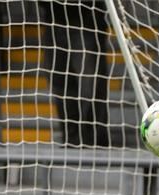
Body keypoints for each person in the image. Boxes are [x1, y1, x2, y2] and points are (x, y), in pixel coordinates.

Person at [41, 1, 110, 147]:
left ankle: (94, 142)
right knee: (59, 83)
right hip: (54, 17)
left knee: (90, 85)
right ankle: (71, 140)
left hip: (87, 17)